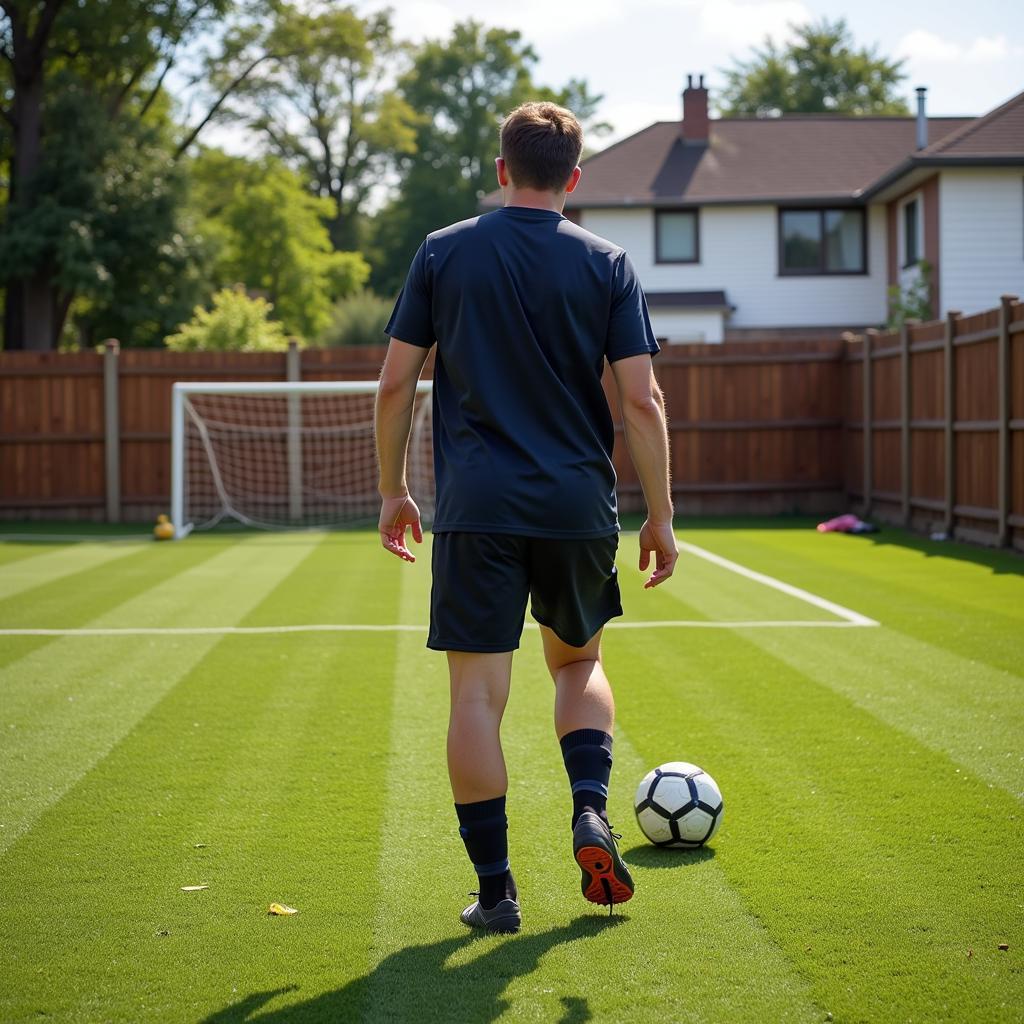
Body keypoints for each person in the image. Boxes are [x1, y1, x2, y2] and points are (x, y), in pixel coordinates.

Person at [374, 101, 677, 935]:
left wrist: (394, 489)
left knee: (477, 695)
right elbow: (642, 402)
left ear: (502, 169)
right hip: (579, 507)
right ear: (573, 180)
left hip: (477, 511)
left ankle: (498, 893)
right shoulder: (608, 263)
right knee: (578, 666)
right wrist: (661, 516)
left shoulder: (443, 252)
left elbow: (396, 383)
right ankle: (589, 812)